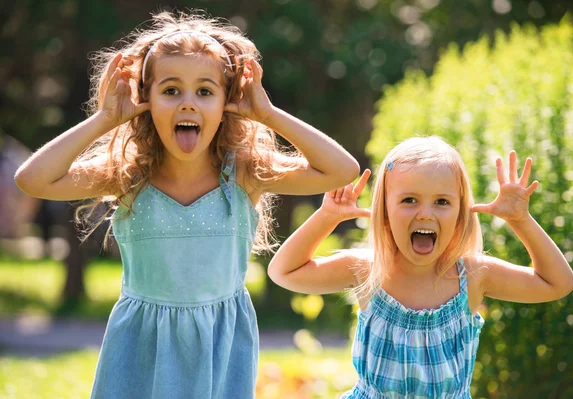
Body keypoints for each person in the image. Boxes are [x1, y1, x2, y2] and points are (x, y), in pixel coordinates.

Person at [14, 10, 359, 399]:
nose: (188, 104)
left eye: (206, 91)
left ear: (228, 102)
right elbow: (32, 180)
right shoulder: (128, 174)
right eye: (171, 90)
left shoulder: (245, 173)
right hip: (140, 348)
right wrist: (105, 119)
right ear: (145, 99)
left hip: (220, 345)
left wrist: (268, 114)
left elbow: (341, 170)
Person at [268, 136, 573, 398]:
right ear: (384, 211)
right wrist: (327, 217)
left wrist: (521, 221)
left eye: (442, 202)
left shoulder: (473, 276)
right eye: (410, 200)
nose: (426, 214)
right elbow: (283, 272)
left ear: (460, 213)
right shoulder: (367, 271)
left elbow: (557, 283)